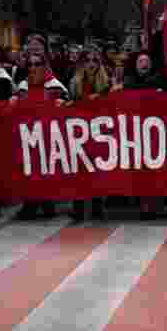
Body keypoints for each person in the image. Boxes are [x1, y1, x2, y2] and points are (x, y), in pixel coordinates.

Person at [14, 52, 68, 221]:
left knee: (45, 171)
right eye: (30, 64)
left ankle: (47, 203)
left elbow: (70, 106)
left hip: (48, 135)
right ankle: (30, 205)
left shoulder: (55, 85)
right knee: (29, 171)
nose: (33, 68)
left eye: (37, 64)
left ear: (44, 66)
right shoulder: (22, 86)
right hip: (27, 136)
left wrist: (64, 103)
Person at [66, 46, 111, 222]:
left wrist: (100, 98)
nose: (91, 64)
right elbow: (71, 103)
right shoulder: (74, 82)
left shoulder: (106, 83)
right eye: (87, 60)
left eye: (95, 60)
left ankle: (97, 208)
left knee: (97, 170)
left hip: (99, 131)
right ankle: (78, 209)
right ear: (82, 63)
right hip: (79, 131)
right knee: (79, 170)